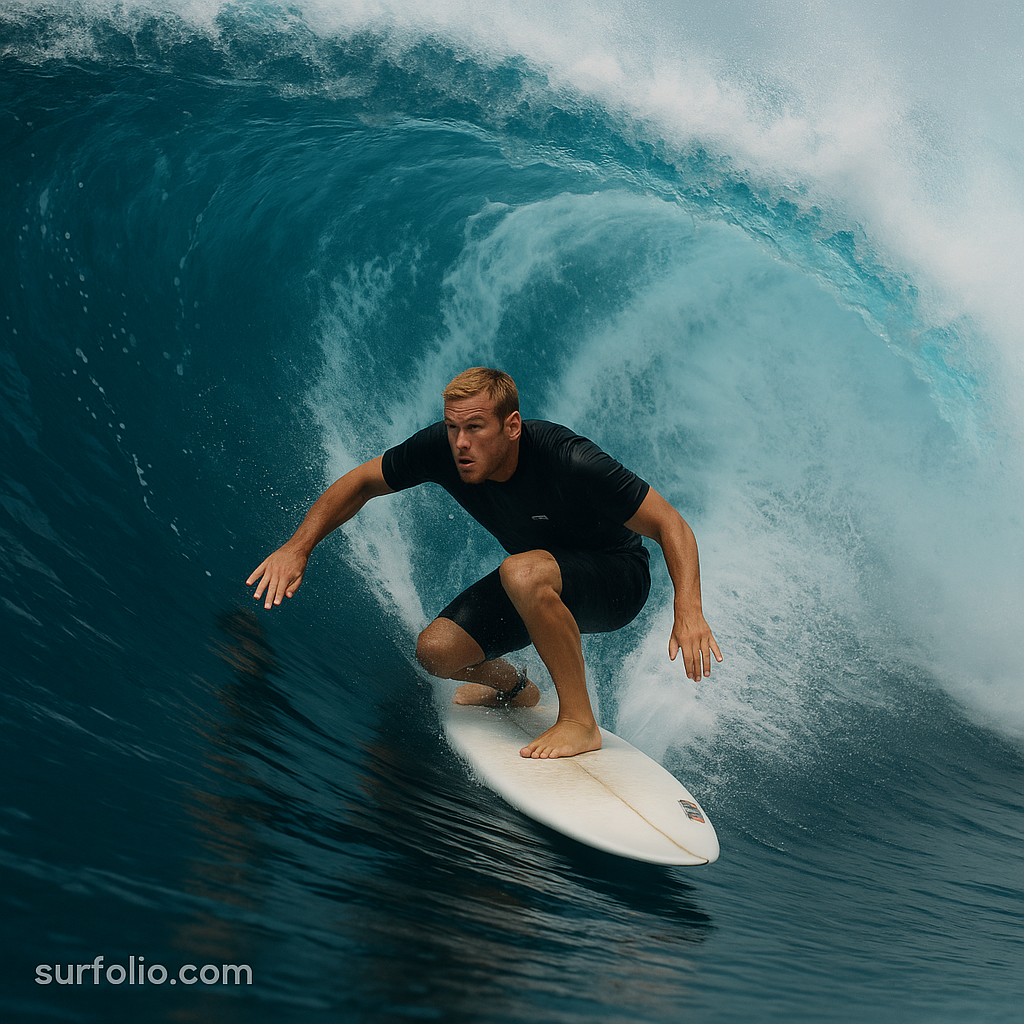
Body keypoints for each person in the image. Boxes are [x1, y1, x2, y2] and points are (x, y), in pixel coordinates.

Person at [247, 367, 722, 759]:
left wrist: (688, 608)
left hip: (617, 579)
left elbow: (671, 524)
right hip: (535, 579)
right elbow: (363, 482)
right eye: (452, 427)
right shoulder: (443, 451)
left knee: (522, 571)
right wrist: (298, 547)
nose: (460, 442)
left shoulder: (569, 458)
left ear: (511, 426)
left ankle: (580, 722)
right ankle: (514, 687)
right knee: (436, 653)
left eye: (475, 427)